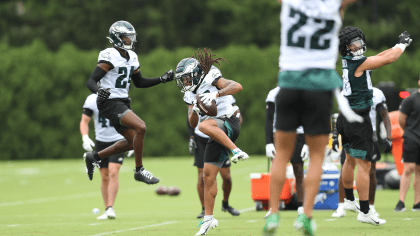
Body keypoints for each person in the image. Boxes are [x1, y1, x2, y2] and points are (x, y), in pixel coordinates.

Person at [264, 1, 362, 235]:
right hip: (320, 86)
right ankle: (306, 216)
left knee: (281, 157)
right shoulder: (333, 5)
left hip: (289, 82)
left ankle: (273, 214)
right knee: (317, 158)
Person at [336, 27, 411, 225]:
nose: (359, 45)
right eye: (354, 43)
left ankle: (350, 200)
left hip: (345, 116)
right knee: (365, 165)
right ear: (346, 47)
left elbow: (378, 56)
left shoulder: (349, 61)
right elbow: (389, 59)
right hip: (358, 118)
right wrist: (402, 45)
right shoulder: (358, 63)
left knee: (350, 160)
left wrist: (395, 45)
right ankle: (365, 211)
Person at [83, 20, 174, 184]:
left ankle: (94, 157)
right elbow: (91, 81)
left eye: (131, 37)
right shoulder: (109, 55)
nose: (130, 40)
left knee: (133, 142)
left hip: (123, 102)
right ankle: (139, 170)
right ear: (117, 38)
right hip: (109, 102)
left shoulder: (132, 56)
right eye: (126, 37)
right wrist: (98, 91)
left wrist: (162, 79)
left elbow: (139, 83)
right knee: (141, 126)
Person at [174, 48, 248, 235]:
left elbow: (238, 86)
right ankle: (208, 220)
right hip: (215, 130)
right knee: (208, 175)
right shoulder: (189, 94)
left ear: (197, 74)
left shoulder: (211, 76)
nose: (185, 82)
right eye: (183, 79)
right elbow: (193, 122)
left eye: (187, 78)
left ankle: (236, 151)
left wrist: (216, 94)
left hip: (229, 122)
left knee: (205, 127)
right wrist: (196, 110)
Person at [332, 87, 393, 218]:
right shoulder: (347, 90)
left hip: (369, 134)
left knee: (371, 171)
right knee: (346, 165)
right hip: (351, 131)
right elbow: (341, 114)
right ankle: (342, 204)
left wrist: (389, 136)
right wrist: (336, 135)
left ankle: (370, 206)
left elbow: (385, 115)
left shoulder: (377, 93)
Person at [80, 93, 134, 219]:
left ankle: (110, 207)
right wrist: (85, 137)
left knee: (113, 171)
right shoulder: (92, 99)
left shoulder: (120, 95)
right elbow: (84, 121)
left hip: (119, 139)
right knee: (104, 176)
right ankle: (106, 208)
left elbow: (131, 119)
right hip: (101, 141)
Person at [188, 95, 242, 219]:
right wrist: (191, 137)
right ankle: (204, 209)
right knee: (202, 176)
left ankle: (226, 204)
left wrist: (234, 127)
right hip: (201, 138)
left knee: (226, 176)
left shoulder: (225, 91)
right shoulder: (193, 92)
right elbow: (190, 115)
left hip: (218, 136)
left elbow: (235, 111)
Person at [264, 86, 305, 217]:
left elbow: (306, 117)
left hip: (298, 134)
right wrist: (268, 142)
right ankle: (273, 206)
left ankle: (301, 207)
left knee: (298, 170)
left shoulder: (301, 91)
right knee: (277, 172)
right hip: (280, 134)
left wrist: (306, 142)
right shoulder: (273, 93)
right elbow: (269, 119)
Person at [394, 78, 420, 212]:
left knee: (419, 171)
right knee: (408, 169)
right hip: (411, 138)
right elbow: (401, 119)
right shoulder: (410, 100)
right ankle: (401, 202)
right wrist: (409, 132)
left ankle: (417, 203)